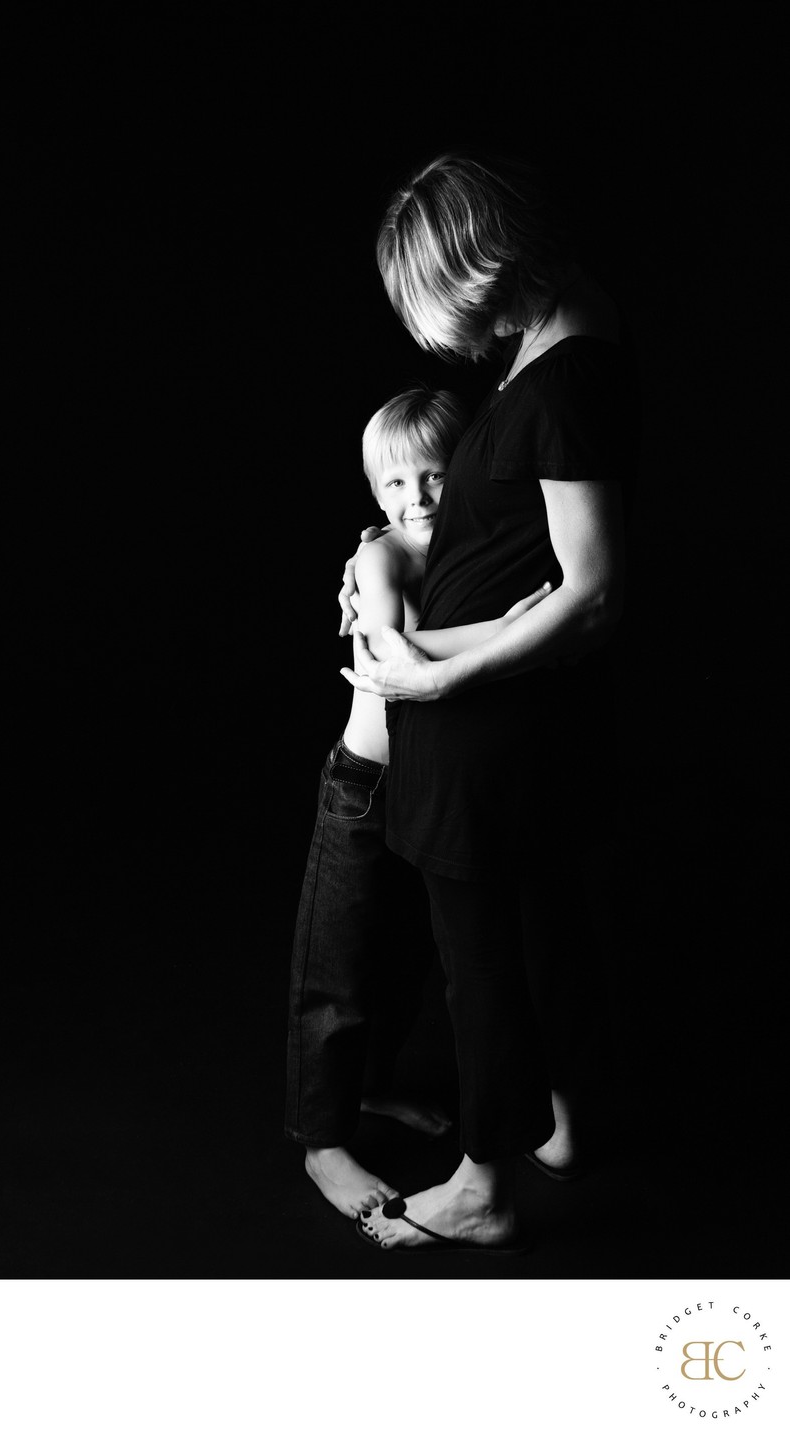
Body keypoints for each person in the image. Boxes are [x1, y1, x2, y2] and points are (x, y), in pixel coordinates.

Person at [339, 151, 639, 1252]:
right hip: (493, 719)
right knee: (541, 931)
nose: (441, 335)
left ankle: (482, 1185)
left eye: (433, 300)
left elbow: (593, 595)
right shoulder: (558, 339)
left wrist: (429, 673)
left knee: (481, 966)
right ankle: (565, 1122)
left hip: (490, 732)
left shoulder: (566, 379)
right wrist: (388, 575)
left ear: (473, 264)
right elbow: (518, 563)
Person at [285, 383, 553, 1220]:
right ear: (374, 495)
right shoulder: (380, 556)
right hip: (364, 783)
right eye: (395, 486)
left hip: (435, 787)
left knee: (405, 951)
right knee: (336, 958)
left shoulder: (477, 543)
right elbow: (387, 652)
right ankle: (322, 1141)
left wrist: (523, 615)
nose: (417, 499)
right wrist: (522, 622)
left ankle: (372, 1089)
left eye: (435, 477)